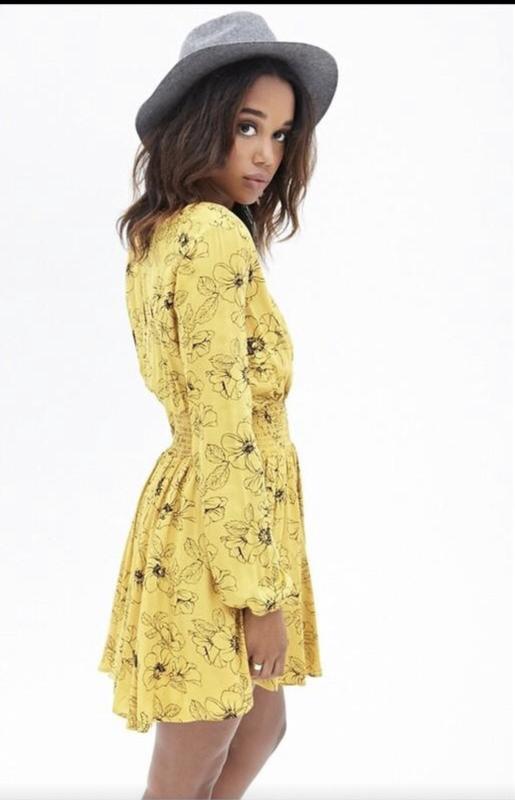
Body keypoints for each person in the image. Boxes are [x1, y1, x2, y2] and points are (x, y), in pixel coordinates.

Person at [97, 11, 338, 799]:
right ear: (202, 124)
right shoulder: (210, 236)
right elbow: (224, 427)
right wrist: (256, 598)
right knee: (190, 763)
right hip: (217, 527)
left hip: (214, 511)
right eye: (246, 126)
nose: (266, 153)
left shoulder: (161, 233)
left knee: (259, 726)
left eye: (281, 133)